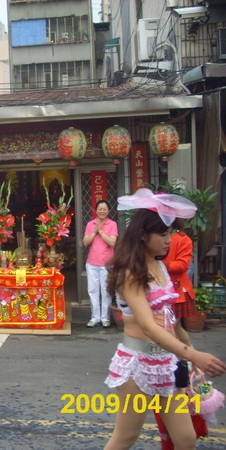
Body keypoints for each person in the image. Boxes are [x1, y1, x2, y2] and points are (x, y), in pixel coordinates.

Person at [104, 189, 226, 449]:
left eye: (169, 233)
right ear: (143, 235)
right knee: (125, 437)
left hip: (167, 364)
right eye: (163, 234)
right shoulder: (129, 272)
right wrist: (193, 355)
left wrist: (190, 352)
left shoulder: (160, 266)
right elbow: (148, 326)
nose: (169, 240)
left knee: (185, 438)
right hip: (135, 369)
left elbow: (170, 320)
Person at [83, 199, 118, 328]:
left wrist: (101, 231)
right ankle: (95, 317)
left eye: (104, 209)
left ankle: (105, 318)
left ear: (108, 211)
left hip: (107, 263)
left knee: (106, 291)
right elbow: (85, 242)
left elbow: (112, 242)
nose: (102, 211)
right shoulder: (90, 224)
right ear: (95, 211)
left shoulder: (112, 224)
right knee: (93, 291)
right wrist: (95, 230)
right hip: (92, 263)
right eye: (100, 209)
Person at [163, 217, 195, 347]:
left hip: (177, 291)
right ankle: (190, 358)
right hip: (163, 288)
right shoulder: (158, 236)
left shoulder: (183, 239)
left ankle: (186, 359)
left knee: (168, 328)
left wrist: (161, 266)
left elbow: (183, 265)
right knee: (175, 327)